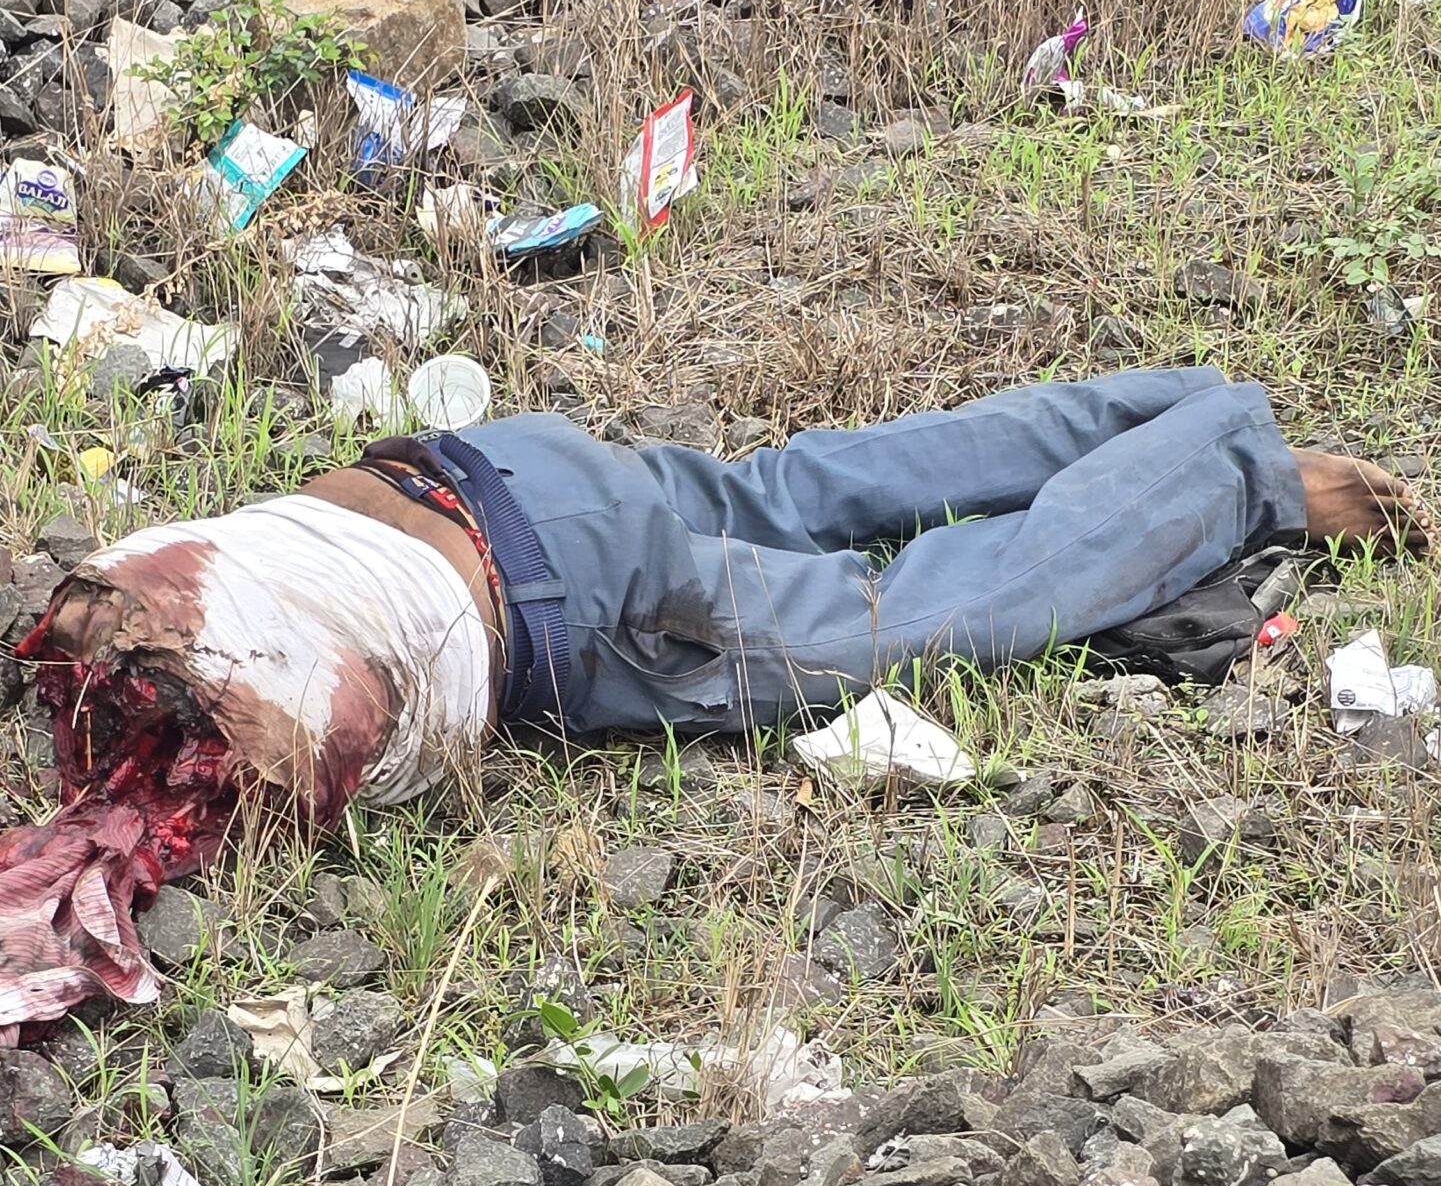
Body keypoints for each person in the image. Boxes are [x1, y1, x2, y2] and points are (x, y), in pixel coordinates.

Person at [46, 363, 1420, 756]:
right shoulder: (125, 581)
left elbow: (300, 748)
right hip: (490, 470)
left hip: (567, 599)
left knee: (913, 612)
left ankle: (1244, 470)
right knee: (805, 485)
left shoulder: (226, 682)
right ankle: (1175, 407)